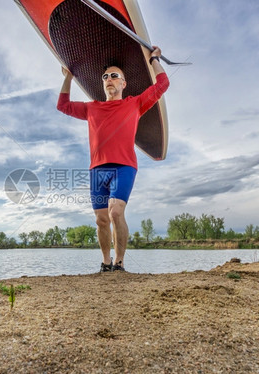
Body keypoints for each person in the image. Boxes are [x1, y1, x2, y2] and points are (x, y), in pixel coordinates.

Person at [57, 46, 169, 272]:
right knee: (101, 220)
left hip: (124, 166)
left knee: (116, 211)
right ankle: (105, 262)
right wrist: (68, 78)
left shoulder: (135, 104)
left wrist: (154, 59)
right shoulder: (92, 108)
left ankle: (119, 262)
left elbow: (162, 85)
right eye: (105, 77)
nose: (109, 79)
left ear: (123, 83)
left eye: (114, 76)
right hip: (97, 169)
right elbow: (63, 105)